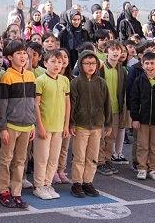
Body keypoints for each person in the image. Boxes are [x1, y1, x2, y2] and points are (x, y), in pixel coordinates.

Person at [0, 41, 36, 209]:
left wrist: (33, 123)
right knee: (6, 159)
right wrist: (3, 127)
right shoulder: (7, 76)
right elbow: (3, 105)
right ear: (9, 57)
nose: (23, 56)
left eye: (24, 53)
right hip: (11, 126)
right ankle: (4, 192)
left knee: (21, 160)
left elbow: (33, 102)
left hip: (27, 126)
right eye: (18, 54)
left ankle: (16, 192)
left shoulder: (30, 75)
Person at [69, 52, 111, 198]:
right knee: (79, 156)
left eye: (93, 63)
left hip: (97, 125)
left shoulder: (101, 83)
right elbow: (72, 104)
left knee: (92, 156)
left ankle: (88, 181)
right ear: (81, 65)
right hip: (80, 125)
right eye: (87, 63)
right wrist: (71, 123)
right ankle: (77, 183)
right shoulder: (75, 83)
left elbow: (107, 104)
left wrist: (108, 123)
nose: (90, 66)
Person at [33, 49, 70, 199]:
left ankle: (48, 184)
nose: (57, 65)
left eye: (59, 62)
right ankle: (39, 185)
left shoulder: (64, 81)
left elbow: (68, 104)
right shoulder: (40, 80)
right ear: (45, 63)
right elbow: (36, 105)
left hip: (59, 126)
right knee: (42, 158)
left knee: (54, 158)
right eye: (53, 61)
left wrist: (66, 125)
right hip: (44, 126)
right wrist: (39, 126)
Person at [128, 51, 155, 181]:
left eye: (152, 63)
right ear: (142, 65)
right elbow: (134, 100)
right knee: (142, 145)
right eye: (147, 63)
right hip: (142, 119)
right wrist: (135, 118)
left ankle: (154, 169)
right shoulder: (139, 81)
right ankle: (142, 168)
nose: (149, 66)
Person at [97, 41, 129, 174]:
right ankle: (99, 162)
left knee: (111, 137)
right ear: (106, 52)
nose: (116, 52)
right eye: (112, 49)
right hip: (101, 108)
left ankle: (107, 159)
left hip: (116, 108)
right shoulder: (101, 68)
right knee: (101, 136)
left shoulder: (122, 70)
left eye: (118, 50)